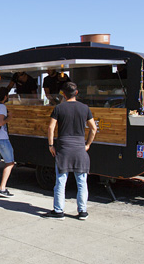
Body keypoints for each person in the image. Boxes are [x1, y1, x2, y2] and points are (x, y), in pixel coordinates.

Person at [47, 82, 97, 220]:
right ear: (76, 93)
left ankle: (58, 211)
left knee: (61, 181)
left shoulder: (59, 108)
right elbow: (93, 129)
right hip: (80, 148)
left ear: (63, 94)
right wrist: (87, 144)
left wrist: (51, 145)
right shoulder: (85, 108)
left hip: (63, 148)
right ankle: (82, 212)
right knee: (81, 182)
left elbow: (51, 127)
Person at [0, 87, 15, 197]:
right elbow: (0, 123)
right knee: (10, 162)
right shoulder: (2, 107)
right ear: (5, 97)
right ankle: (2, 188)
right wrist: (9, 118)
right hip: (2, 138)